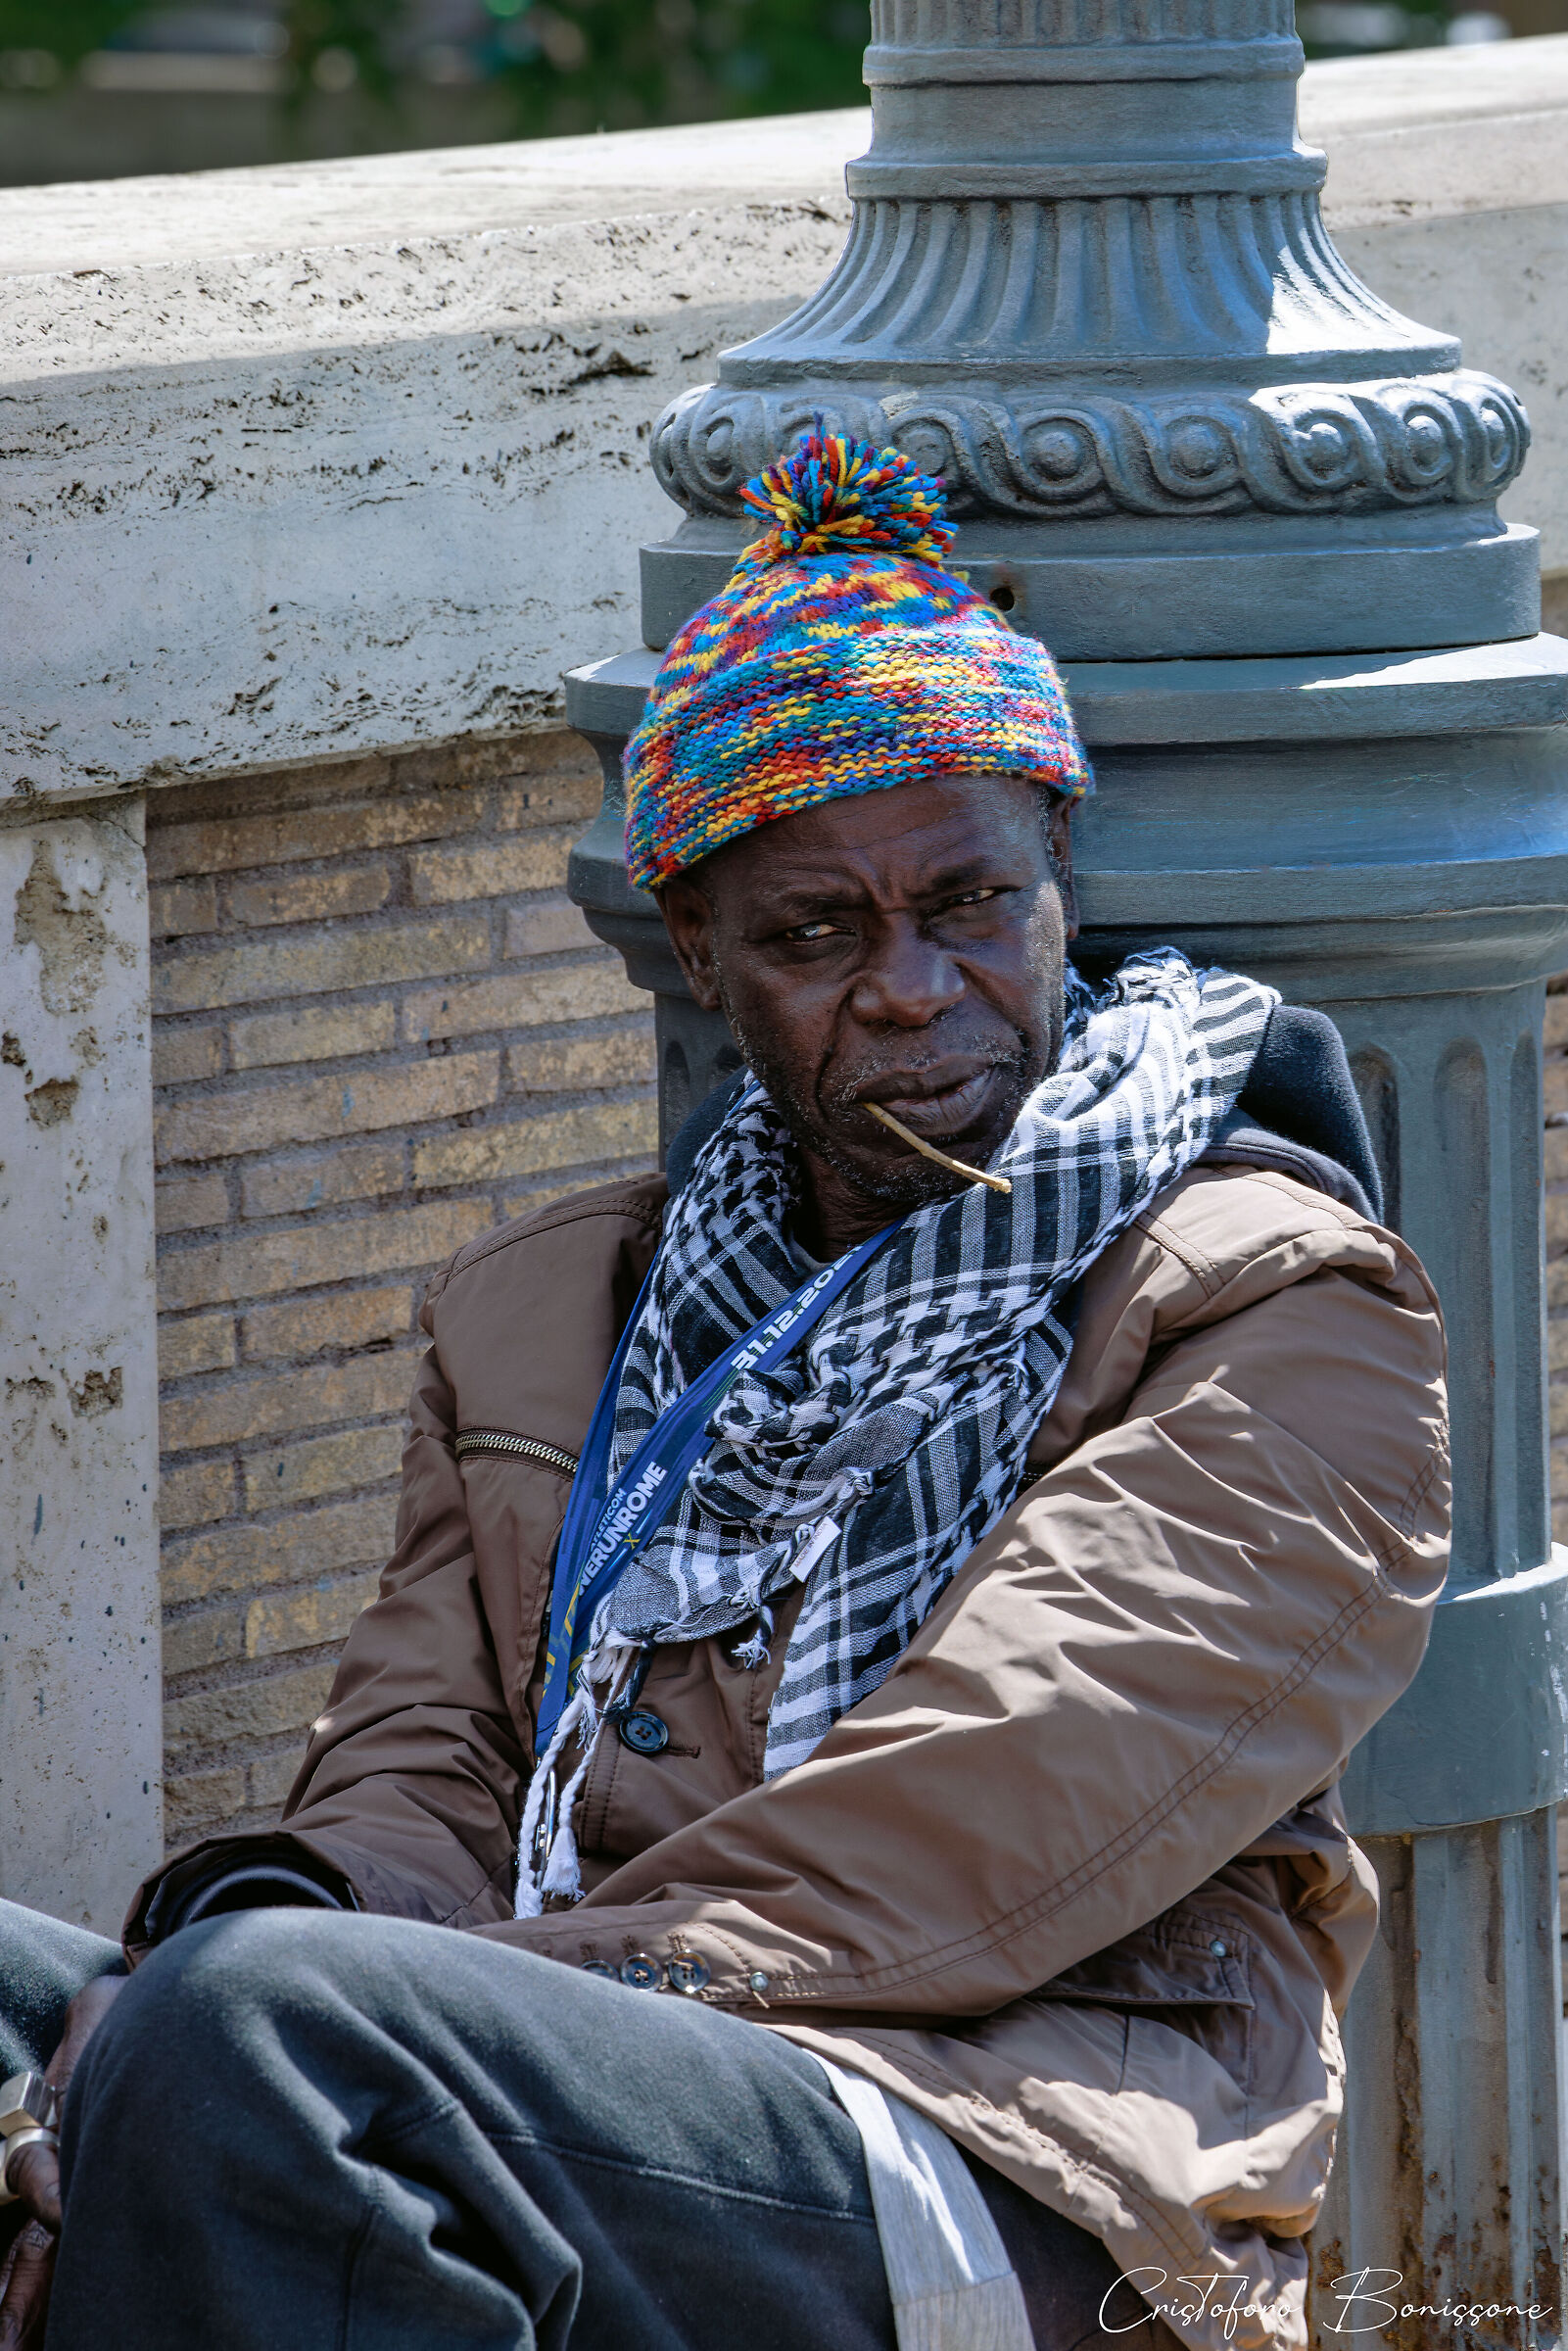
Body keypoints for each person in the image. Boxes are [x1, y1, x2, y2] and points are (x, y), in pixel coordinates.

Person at [0, 432, 1448, 2351]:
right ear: (703, 956)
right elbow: (425, 1771)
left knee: (254, 2043)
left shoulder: (1279, 1304)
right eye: (814, 935)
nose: (917, 988)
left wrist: (342, 1999)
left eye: (969, 904)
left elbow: (959, 1846)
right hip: (580, 2047)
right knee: (145, 2006)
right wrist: (274, 1928)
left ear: (1057, 879)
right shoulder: (552, 1312)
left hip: (1006, 2143)